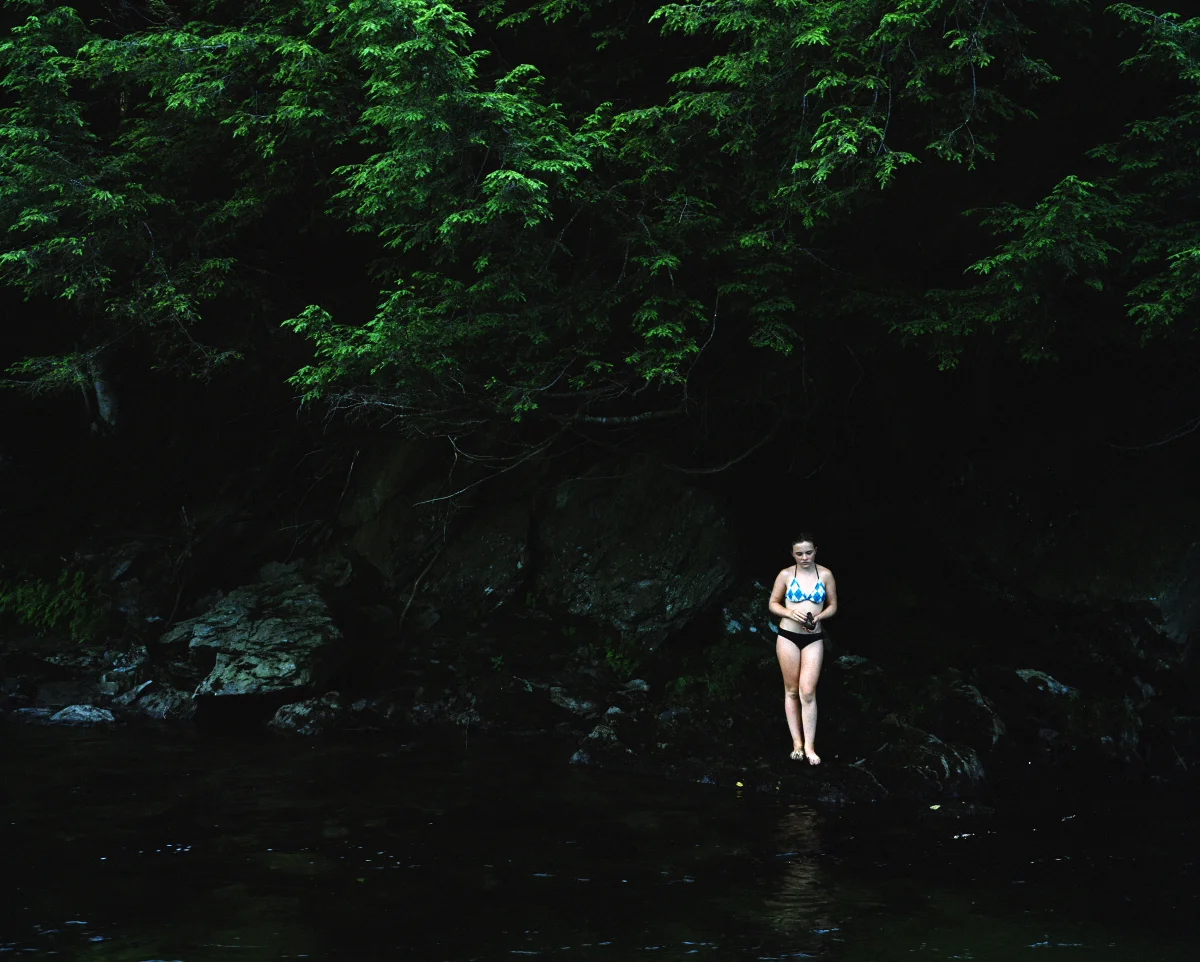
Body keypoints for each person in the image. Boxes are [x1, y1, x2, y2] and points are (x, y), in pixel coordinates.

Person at [768, 534, 837, 765]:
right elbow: (773, 603)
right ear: (792, 554)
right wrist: (789, 612)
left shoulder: (825, 574)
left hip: (813, 637)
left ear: (816, 550)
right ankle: (796, 744)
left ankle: (810, 747)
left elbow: (833, 606)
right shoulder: (786, 574)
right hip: (788, 635)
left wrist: (820, 617)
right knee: (791, 690)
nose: (804, 557)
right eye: (799, 553)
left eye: (808, 552)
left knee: (807, 691)